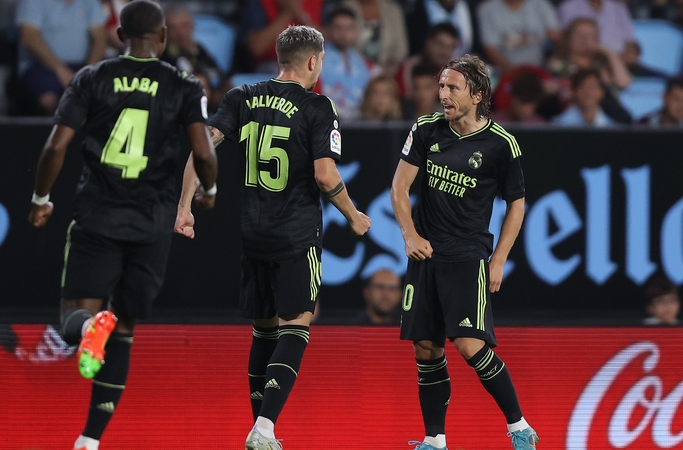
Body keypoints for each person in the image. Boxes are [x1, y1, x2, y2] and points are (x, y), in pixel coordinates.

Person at [26, 2, 219, 450]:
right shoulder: (183, 84)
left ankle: (91, 329)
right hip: (151, 222)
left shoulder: (91, 78)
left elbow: (56, 147)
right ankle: (90, 440)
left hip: (99, 214)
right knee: (125, 329)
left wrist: (40, 198)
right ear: (164, 39)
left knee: (76, 315)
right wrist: (208, 192)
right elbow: (205, 152)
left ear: (118, 36)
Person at [176, 25, 371, 450]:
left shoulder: (241, 97)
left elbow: (203, 148)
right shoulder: (318, 106)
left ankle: (260, 429)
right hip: (295, 233)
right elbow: (324, 174)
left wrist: (184, 206)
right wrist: (354, 215)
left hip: (252, 232)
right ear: (314, 61)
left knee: (264, 332)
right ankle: (264, 429)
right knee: (296, 326)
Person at [390, 54, 538, 450]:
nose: (443, 94)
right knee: (426, 347)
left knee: (470, 344)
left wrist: (500, 258)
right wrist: (409, 234)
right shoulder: (425, 129)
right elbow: (399, 188)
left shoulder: (501, 144)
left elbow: (517, 204)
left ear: (477, 94)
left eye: (453, 87)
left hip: (466, 256)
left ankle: (519, 428)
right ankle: (434, 440)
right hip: (424, 257)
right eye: (441, 86)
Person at [15, 0, 108, 115]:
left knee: (103, 98)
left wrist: (87, 73)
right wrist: (61, 70)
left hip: (83, 66)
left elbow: (100, 40)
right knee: (48, 100)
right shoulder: (33, 2)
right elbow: (29, 37)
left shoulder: (90, 2)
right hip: (41, 66)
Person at [477, 0, 561, 74]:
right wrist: (517, 75)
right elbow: (491, 52)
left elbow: (557, 39)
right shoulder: (488, 9)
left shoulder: (541, 4)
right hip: (504, 74)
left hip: (541, 71)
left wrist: (553, 63)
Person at [318, 7, 373, 121]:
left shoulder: (362, 63)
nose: (343, 34)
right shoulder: (317, 58)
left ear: (356, 31)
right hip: (327, 121)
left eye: (349, 28)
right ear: (329, 29)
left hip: (360, 122)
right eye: (338, 28)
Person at [558, 0, 635, 55]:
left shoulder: (619, 8)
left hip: (617, 59)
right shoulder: (568, 6)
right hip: (581, 59)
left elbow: (630, 41)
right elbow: (564, 39)